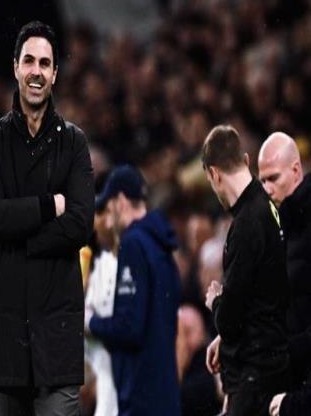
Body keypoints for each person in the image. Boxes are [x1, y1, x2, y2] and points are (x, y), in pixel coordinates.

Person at [0, 21, 94, 415]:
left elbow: (80, 224)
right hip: (7, 340)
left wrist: (19, 239)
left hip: (57, 338)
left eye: (45, 63)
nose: (36, 71)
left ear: (55, 73)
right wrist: (45, 207)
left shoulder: (74, 142)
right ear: (15, 68)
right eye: (29, 61)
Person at [202, 125, 289, 416]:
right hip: (272, 365)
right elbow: (263, 296)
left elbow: (230, 321)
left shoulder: (245, 225)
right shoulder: (268, 207)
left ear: (214, 174)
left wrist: (216, 301)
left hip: (254, 376)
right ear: (247, 160)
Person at [87, 165, 181, 416]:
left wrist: (90, 322)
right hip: (165, 394)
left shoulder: (133, 244)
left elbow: (129, 327)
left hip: (141, 396)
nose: (109, 217)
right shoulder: (162, 245)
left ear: (120, 201)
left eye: (109, 207)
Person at [258, 132, 311, 415]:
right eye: (262, 181)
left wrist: (298, 402)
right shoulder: (279, 231)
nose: (267, 189)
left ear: (296, 170)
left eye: (273, 178)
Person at [84, 203, 119, 416]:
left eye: (100, 213)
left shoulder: (131, 263)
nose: (96, 221)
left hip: (121, 387)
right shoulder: (98, 264)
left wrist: (88, 322)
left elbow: (124, 326)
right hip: (102, 388)